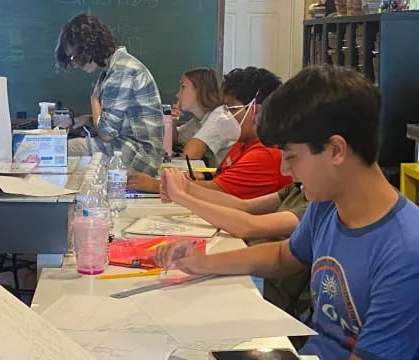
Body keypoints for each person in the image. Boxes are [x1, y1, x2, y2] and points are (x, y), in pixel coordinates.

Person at [156, 65, 419, 360]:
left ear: (336, 150)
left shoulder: (406, 252)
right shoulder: (327, 206)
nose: (285, 170)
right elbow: (282, 256)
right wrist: (200, 263)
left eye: (292, 157)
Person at [160, 167, 310, 315]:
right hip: (257, 275)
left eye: (292, 156)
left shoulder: (315, 204)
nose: (284, 169)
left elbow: (249, 227)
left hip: (269, 289)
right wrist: (186, 188)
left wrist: (181, 197)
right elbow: (245, 206)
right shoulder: (299, 188)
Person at [129, 67, 291, 199]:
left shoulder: (266, 154)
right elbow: (222, 178)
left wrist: (155, 185)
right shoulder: (243, 144)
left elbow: (216, 190)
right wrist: (204, 177)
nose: (224, 115)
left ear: (256, 112)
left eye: (231, 108)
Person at [55, 13, 164, 176]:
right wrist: (83, 120)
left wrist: (94, 100)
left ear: (89, 46)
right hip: (134, 150)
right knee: (65, 148)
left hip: (137, 157)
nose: (75, 64)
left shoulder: (121, 71)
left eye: (75, 56)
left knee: (60, 150)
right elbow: (116, 122)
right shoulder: (115, 67)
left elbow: (106, 134)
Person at [127, 67, 237, 192]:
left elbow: (190, 155)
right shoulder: (199, 120)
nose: (177, 94)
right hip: (217, 179)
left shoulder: (219, 116)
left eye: (183, 87)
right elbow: (174, 141)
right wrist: (172, 121)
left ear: (200, 90)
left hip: (227, 185)